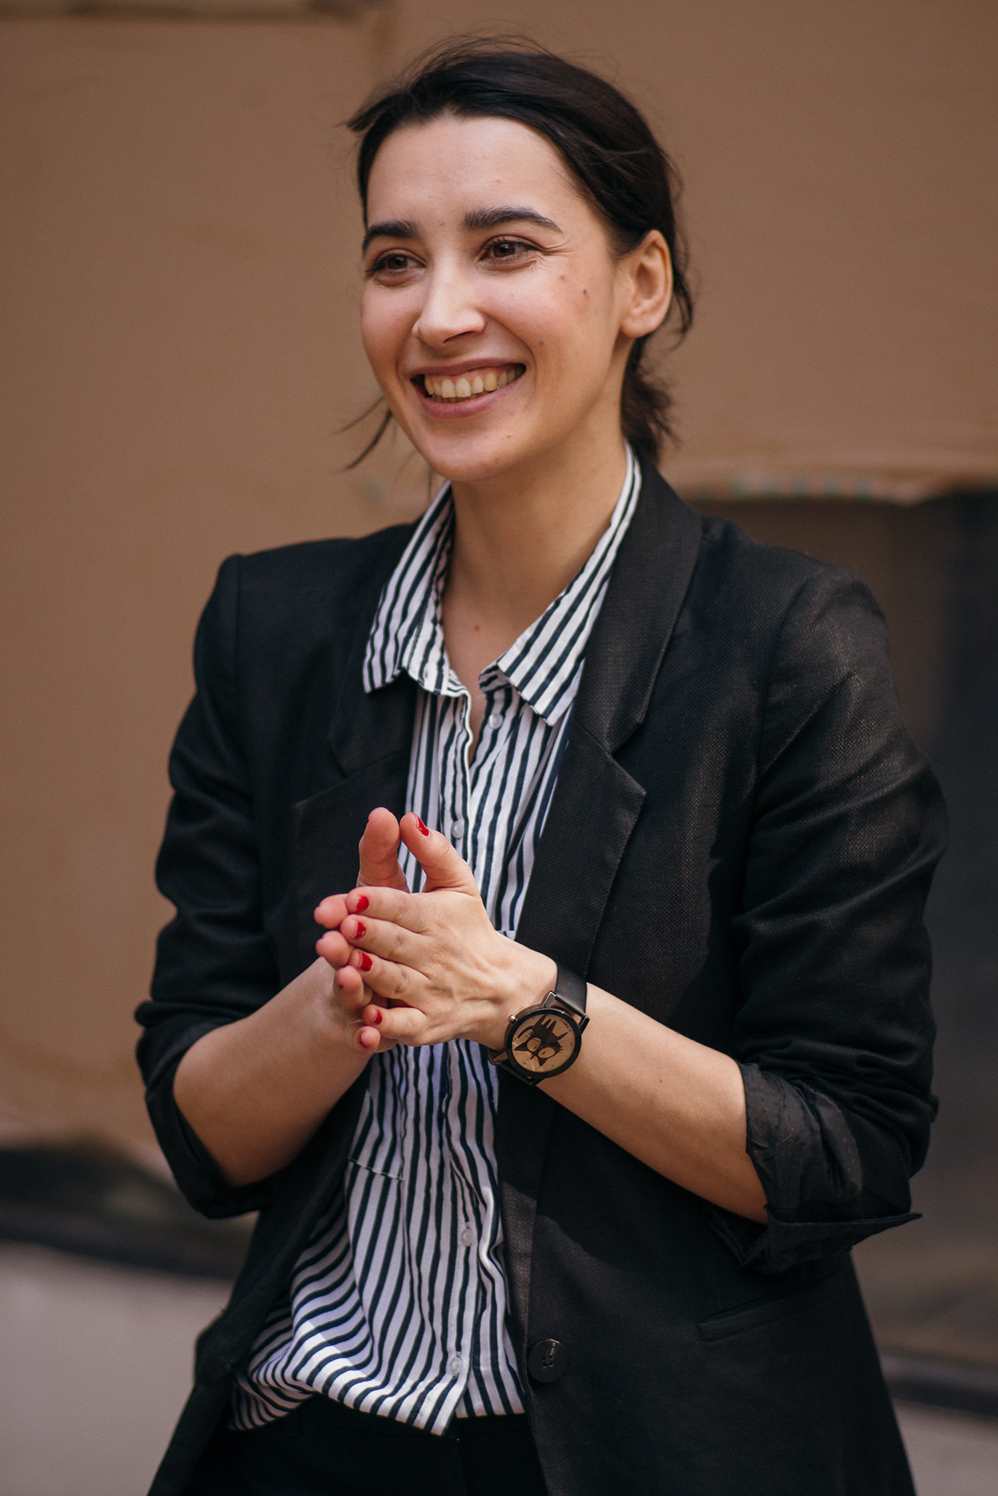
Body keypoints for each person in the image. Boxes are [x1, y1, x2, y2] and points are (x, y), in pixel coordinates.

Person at [136, 40, 946, 1496]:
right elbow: (201, 1137)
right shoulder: (274, 626)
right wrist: (341, 1002)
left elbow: (847, 1150)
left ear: (642, 284)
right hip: (303, 1433)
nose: (439, 312)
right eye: (395, 261)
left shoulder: (787, 646)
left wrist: (519, 1003)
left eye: (505, 248)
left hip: (650, 1454)